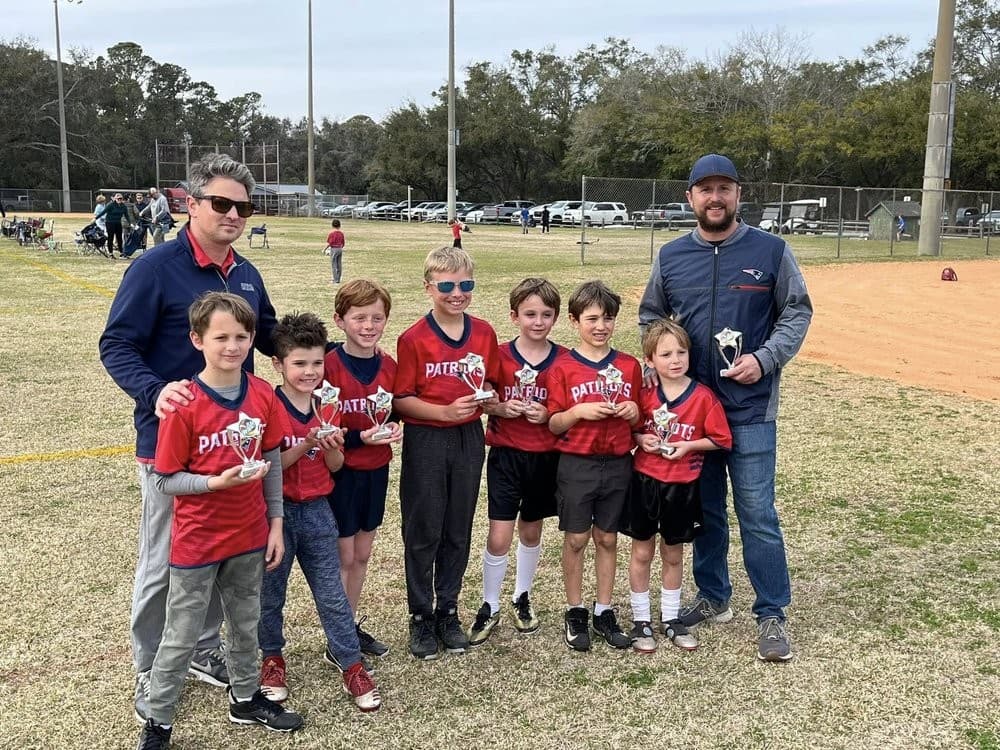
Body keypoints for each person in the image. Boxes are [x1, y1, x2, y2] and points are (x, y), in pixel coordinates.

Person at [99, 153, 279, 721]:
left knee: (221, 551)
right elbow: (117, 344)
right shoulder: (155, 267)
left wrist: (331, 356)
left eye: (242, 207)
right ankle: (149, 669)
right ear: (191, 203)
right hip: (171, 446)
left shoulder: (245, 273)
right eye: (221, 203)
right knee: (164, 561)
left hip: (237, 447)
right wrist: (154, 391)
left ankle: (202, 652)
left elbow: (270, 335)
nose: (232, 214)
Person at [638, 153, 813, 662]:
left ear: (739, 194)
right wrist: (662, 368)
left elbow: (796, 313)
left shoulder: (771, 250)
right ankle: (714, 596)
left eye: (725, 188)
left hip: (750, 408)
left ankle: (772, 611)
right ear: (690, 198)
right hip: (692, 413)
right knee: (707, 511)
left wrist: (764, 359)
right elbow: (652, 315)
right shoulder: (671, 256)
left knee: (757, 512)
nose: (715, 198)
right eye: (705, 189)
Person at [137, 292, 302, 749]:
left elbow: (269, 455)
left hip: (249, 534)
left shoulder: (262, 393)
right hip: (199, 541)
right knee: (182, 633)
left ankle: (245, 699)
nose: (232, 346)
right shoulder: (184, 402)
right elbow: (165, 481)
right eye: (221, 337)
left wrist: (274, 522)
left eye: (242, 337)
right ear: (197, 340)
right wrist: (214, 484)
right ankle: (158, 722)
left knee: (245, 623)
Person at [258, 311, 381, 713]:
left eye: (315, 363)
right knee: (270, 596)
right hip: (274, 516)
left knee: (331, 595)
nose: (309, 371)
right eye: (299, 363)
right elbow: (271, 467)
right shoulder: (267, 404)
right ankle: (272, 660)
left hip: (316, 511)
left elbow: (335, 466)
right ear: (278, 364)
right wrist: (305, 442)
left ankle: (350, 663)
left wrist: (329, 447)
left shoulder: (327, 405)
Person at [393, 246, 501, 660]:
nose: (457, 293)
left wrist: (489, 399)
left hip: (468, 439)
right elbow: (401, 399)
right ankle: (420, 615)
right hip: (427, 439)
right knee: (424, 529)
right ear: (428, 288)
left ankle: (448, 610)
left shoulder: (484, 333)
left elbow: (491, 385)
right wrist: (441, 411)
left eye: (466, 284)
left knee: (458, 526)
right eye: (447, 285)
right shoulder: (414, 338)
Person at [623, 318, 732, 654]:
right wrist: (642, 438)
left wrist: (689, 446)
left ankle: (671, 618)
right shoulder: (644, 396)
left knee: (673, 553)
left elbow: (720, 439)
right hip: (645, 482)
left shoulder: (702, 397)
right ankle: (641, 620)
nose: (675, 360)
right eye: (665, 354)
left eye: (681, 352)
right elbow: (632, 431)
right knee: (642, 552)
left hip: (683, 485)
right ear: (650, 361)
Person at [547, 280, 642, 652]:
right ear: (574, 321)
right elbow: (553, 423)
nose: (601, 326)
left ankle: (604, 609)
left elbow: (640, 419)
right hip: (577, 464)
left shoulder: (628, 366)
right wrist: (577, 412)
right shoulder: (563, 367)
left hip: (618, 463)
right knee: (575, 539)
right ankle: (575, 609)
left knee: (607, 538)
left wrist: (633, 412)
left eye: (608, 318)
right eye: (592, 319)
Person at [469, 278, 565, 645]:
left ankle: (521, 595)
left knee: (531, 529)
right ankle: (489, 603)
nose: (538, 321)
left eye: (545, 314)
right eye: (529, 314)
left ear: (555, 318)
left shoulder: (564, 358)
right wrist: (500, 407)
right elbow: (483, 396)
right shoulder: (500, 354)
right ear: (514, 315)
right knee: (499, 535)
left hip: (545, 457)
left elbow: (565, 405)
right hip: (506, 455)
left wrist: (549, 414)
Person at [325, 279, 402, 659]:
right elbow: (322, 427)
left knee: (363, 554)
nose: (368, 326)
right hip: (342, 473)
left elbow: (397, 408)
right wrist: (358, 440)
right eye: (359, 317)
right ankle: (337, 636)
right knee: (343, 556)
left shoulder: (389, 365)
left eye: (377, 317)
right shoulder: (327, 366)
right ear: (339, 320)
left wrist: (396, 426)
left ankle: (349, 624)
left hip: (377, 470)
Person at [103, 193, 130, 258]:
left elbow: (126, 215)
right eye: (118, 198)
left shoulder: (123, 206)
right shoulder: (111, 205)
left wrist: (130, 223)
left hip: (118, 223)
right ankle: (110, 253)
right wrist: (95, 218)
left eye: (121, 198)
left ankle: (121, 253)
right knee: (110, 237)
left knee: (119, 238)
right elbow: (103, 212)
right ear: (115, 199)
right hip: (109, 222)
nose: (119, 200)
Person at [326, 218, 346, 283]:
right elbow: (343, 243)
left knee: (334, 264)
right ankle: (338, 279)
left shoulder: (332, 234)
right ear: (339, 225)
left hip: (334, 249)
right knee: (339, 264)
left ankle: (335, 279)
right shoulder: (341, 233)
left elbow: (330, 243)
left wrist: (324, 249)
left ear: (332, 225)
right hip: (340, 249)